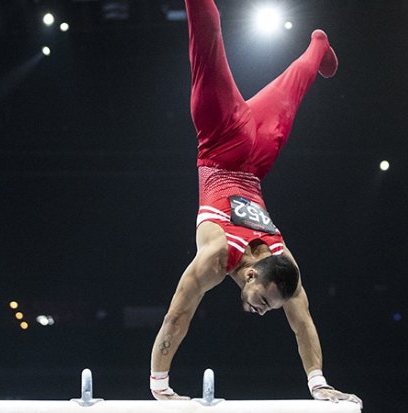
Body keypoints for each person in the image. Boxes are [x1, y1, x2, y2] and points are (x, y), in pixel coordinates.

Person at [149, 0, 361, 407]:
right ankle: (314, 46)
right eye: (265, 302)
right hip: (222, 141)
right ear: (250, 278)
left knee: (291, 89)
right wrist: (161, 388)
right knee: (207, 49)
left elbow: (302, 324)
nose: (265, 311)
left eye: (268, 307)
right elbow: (177, 317)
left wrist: (319, 384)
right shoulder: (216, 257)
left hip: (255, 159)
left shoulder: (282, 266)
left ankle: (319, 46)